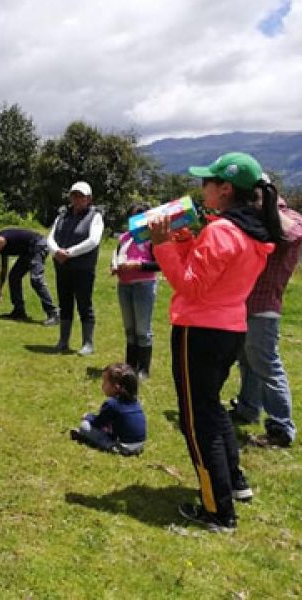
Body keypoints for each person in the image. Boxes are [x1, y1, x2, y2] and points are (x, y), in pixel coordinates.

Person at [149, 152, 283, 532]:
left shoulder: (222, 231)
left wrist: (162, 245)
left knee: (196, 420)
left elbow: (191, 286)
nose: (202, 187)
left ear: (225, 189)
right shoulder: (250, 232)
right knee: (212, 407)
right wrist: (184, 242)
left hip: (200, 330)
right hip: (229, 328)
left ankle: (217, 510)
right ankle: (234, 481)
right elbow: (206, 274)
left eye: (207, 181)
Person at [228, 193, 302, 448]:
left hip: (264, 306)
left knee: (267, 365)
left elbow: (294, 236)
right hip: (244, 303)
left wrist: (266, 204)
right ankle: (247, 409)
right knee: (247, 362)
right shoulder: (255, 218)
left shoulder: (290, 218)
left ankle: (281, 429)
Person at [47, 181, 104, 355]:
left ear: (89, 199)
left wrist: (69, 253)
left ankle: (88, 343)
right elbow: (50, 237)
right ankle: (63, 341)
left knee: (84, 304)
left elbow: (93, 241)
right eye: (74, 195)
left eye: (81, 196)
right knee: (64, 303)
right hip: (62, 267)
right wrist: (56, 251)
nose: (77, 199)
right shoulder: (62, 215)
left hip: (83, 268)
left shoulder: (95, 216)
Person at [110, 203, 160, 378]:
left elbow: (160, 264)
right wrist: (114, 266)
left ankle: (143, 369)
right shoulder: (124, 237)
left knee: (142, 330)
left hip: (143, 285)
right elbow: (117, 256)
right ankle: (130, 367)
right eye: (133, 217)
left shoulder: (152, 238)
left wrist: (139, 265)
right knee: (129, 329)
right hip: (124, 285)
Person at [0, 228, 59, 325]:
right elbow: (4, 270)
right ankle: (19, 311)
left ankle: (53, 313)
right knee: (14, 277)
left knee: (36, 279)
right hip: (27, 250)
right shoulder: (0, 244)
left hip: (38, 245)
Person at [69, 363, 147, 455]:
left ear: (116, 387)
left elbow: (97, 423)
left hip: (123, 446)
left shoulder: (112, 404)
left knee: (85, 425)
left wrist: (88, 416)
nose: (102, 386)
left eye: (105, 382)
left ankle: (111, 446)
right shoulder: (135, 402)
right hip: (139, 445)